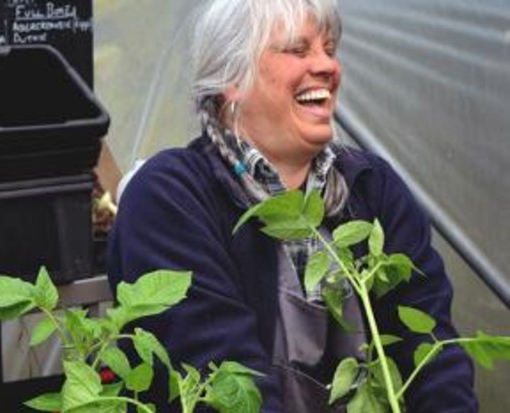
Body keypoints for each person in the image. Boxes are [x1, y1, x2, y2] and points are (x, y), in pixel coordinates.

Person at [107, 0, 478, 411]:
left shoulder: (372, 189)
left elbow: (433, 359)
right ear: (232, 77)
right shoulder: (171, 198)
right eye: (298, 50)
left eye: (330, 49)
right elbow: (228, 387)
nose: (328, 67)